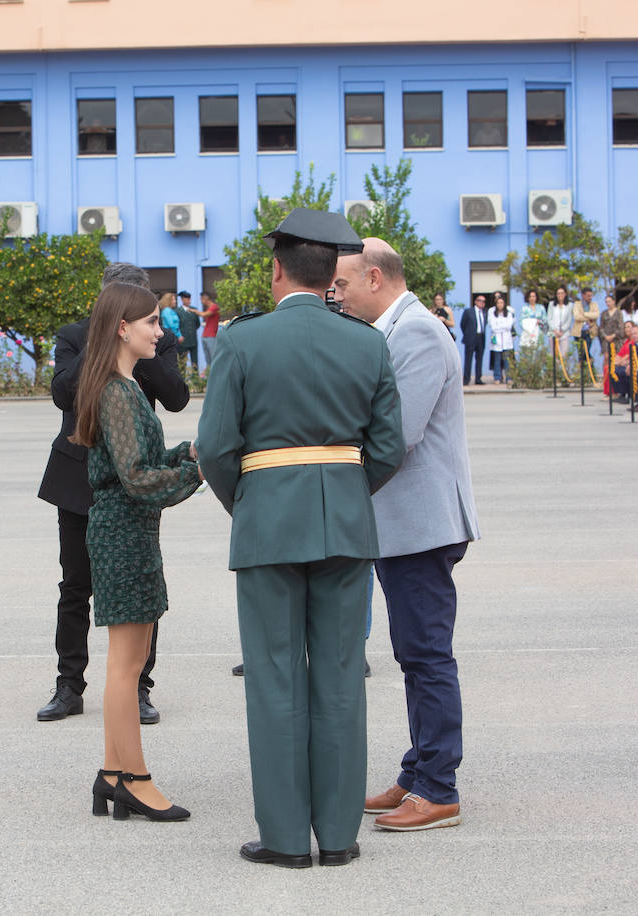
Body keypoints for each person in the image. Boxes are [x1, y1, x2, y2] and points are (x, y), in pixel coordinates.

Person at [198, 208, 404, 869]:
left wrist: (254, 503)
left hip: (267, 524)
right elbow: (389, 447)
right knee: (342, 677)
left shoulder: (242, 341)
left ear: (277, 271)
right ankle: (340, 838)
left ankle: (287, 840)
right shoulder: (368, 342)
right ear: (333, 277)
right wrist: (341, 492)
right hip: (345, 523)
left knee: (274, 681)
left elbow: (214, 448)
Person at [333, 238, 480, 832]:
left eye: (341, 284)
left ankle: (439, 788)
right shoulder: (396, 330)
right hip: (405, 526)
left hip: (420, 527)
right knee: (413, 653)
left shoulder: (415, 332)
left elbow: (398, 432)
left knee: (426, 655)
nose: (335, 295)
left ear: (374, 278)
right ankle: (419, 770)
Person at [70, 281, 202, 824]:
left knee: (127, 661)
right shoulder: (116, 392)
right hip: (123, 532)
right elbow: (139, 479)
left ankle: (110, 772)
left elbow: (145, 459)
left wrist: (189, 450)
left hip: (128, 531)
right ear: (122, 327)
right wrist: (201, 470)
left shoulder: (120, 385)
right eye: (152, 321)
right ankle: (135, 782)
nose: (161, 331)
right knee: (127, 666)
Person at [36, 263, 188, 725]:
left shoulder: (155, 340)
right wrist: (102, 344)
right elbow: (63, 393)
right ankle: (69, 685)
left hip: (132, 487)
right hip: (79, 477)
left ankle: (139, 686)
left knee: (140, 588)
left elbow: (178, 397)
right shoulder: (73, 336)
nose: (153, 325)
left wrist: (144, 353)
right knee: (75, 585)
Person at [459, 293, 487, 385]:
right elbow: (463, 324)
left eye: (483, 301)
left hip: (481, 337)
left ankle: (478, 379)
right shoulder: (468, 311)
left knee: (479, 359)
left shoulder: (484, 312)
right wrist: (467, 334)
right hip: (470, 337)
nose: (481, 303)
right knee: (468, 359)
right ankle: (466, 379)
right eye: (480, 300)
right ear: (475, 301)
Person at [487, 293, 514, 383]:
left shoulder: (509, 313)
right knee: (497, 360)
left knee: (507, 360)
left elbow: (509, 326)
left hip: (507, 340)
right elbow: (493, 327)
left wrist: (500, 327)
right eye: (498, 303)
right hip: (497, 340)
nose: (500, 305)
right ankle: (497, 378)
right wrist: (502, 327)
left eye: (502, 303)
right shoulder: (492, 313)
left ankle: (509, 378)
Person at [190, 290, 221, 366]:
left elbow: (204, 315)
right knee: (208, 361)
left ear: (205, 298)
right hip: (205, 336)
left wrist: (194, 310)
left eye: (201, 299)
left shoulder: (214, 307)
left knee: (214, 359)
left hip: (211, 337)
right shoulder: (208, 308)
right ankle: (208, 376)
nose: (201, 301)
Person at [176, 290, 200, 372]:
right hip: (183, 342)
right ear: (182, 299)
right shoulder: (177, 311)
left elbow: (197, 324)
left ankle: (195, 380)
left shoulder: (194, 310)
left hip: (193, 340)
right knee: (182, 362)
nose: (189, 301)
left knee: (195, 362)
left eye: (189, 299)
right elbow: (176, 326)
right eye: (187, 299)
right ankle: (182, 381)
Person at [547, 285, 573, 357]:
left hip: (564, 334)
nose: (560, 295)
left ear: (565, 294)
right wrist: (555, 330)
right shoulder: (551, 305)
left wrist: (562, 331)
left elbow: (569, 320)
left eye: (562, 293)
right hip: (553, 333)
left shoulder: (570, 305)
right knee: (554, 355)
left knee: (564, 354)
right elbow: (549, 318)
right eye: (558, 293)